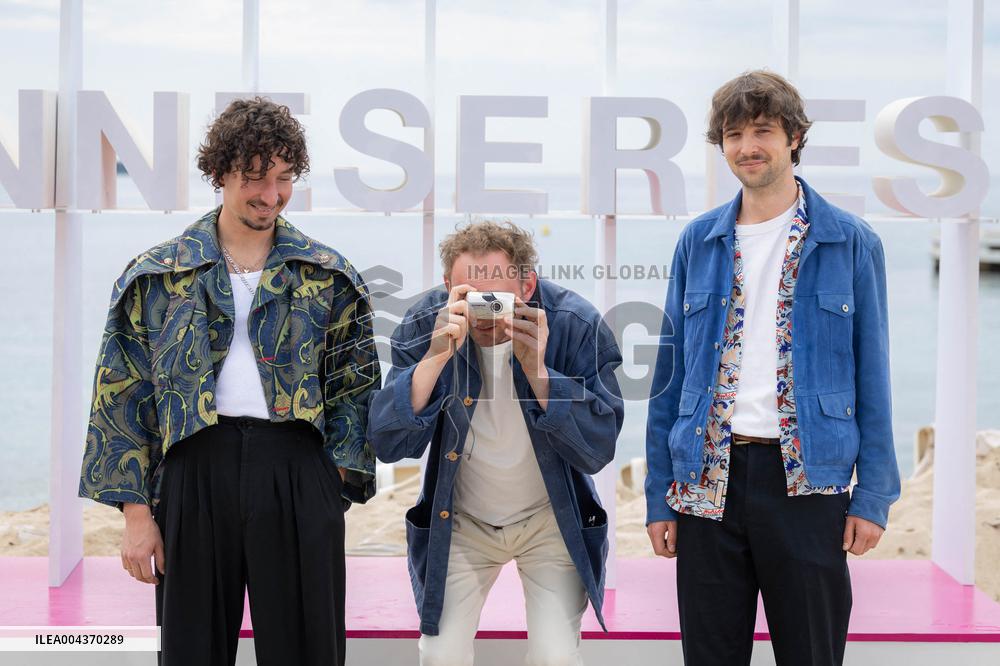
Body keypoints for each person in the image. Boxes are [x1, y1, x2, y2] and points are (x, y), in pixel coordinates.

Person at [78, 97, 380, 666]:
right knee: (192, 651)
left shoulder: (328, 274)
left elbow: (356, 388)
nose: (271, 194)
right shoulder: (157, 275)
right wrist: (138, 517)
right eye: (255, 178)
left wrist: (326, 491)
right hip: (193, 471)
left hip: (296, 470)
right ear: (219, 175)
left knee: (307, 652)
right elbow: (121, 396)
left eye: (285, 179)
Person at [644, 70, 901, 666]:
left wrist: (874, 496)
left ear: (795, 137)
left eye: (763, 130)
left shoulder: (850, 242)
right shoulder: (698, 241)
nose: (747, 147)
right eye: (734, 134)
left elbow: (874, 375)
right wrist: (660, 496)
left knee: (811, 654)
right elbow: (670, 378)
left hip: (808, 480)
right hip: (709, 480)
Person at [368, 220, 623, 665]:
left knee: (556, 656)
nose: (484, 314)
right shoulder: (426, 322)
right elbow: (388, 443)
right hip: (462, 519)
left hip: (549, 520)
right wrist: (434, 358)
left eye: (496, 299)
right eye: (469, 298)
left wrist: (540, 373)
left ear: (528, 284)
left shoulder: (573, 324)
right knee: (439, 652)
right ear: (447, 286)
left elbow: (598, 448)